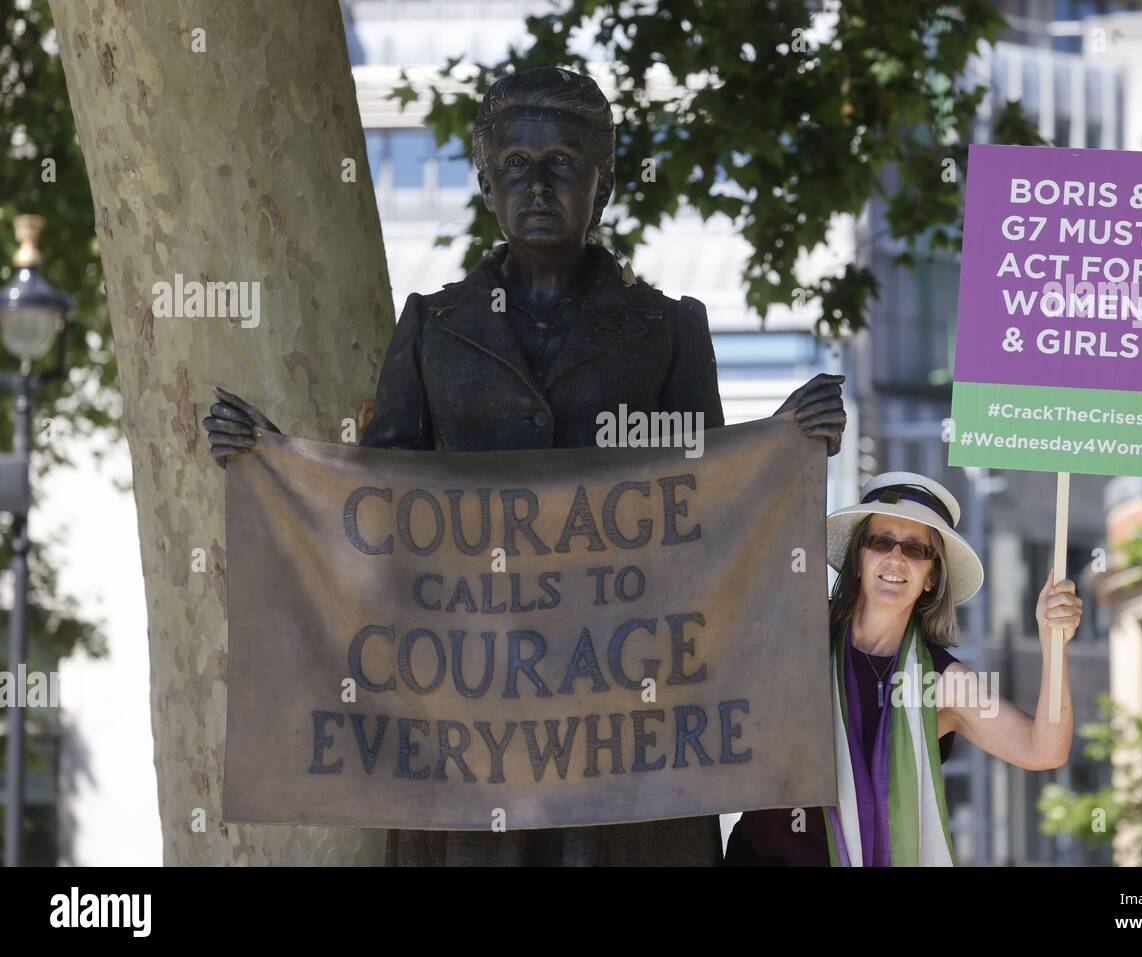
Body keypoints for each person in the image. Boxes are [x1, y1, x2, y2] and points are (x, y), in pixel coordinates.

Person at [203, 65, 846, 866]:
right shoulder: (433, 327)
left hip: (628, 721)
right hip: (469, 719)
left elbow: (707, 504)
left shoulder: (668, 328)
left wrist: (787, 439)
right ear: (484, 179)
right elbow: (377, 507)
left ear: (602, 182)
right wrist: (280, 466)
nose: (538, 185)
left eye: (563, 165)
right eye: (516, 165)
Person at [724, 471, 1083, 866]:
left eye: (915, 549)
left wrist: (1054, 643)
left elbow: (1043, 749)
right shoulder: (799, 634)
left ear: (932, 577)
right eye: (881, 542)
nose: (895, 559)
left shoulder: (940, 683)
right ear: (859, 558)